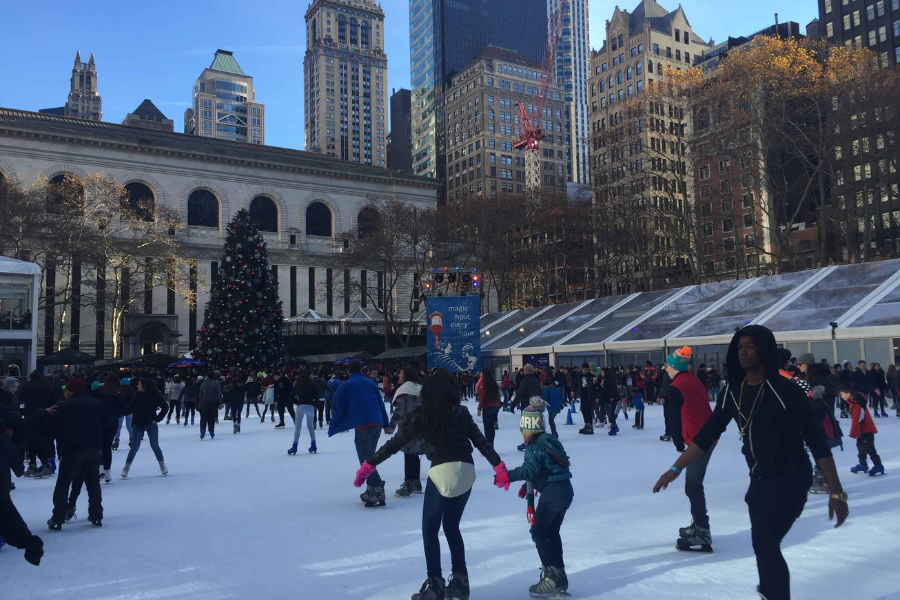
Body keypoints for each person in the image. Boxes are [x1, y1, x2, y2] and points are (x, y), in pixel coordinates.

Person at [653, 325, 849, 600]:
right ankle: (770, 591)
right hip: (759, 480)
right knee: (763, 544)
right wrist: (675, 469)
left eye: (750, 346)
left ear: (764, 349)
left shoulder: (785, 390)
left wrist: (836, 491)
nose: (743, 352)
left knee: (766, 544)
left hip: (792, 477)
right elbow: (708, 433)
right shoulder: (734, 391)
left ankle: (773, 593)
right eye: (739, 346)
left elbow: (817, 442)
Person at [354, 374, 506, 600]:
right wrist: (499, 466)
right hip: (466, 471)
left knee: (430, 529)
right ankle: (461, 581)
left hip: (442, 472)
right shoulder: (461, 412)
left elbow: (396, 442)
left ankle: (435, 584)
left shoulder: (424, 414)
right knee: (452, 527)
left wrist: (369, 464)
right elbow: (481, 442)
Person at [504, 398, 573, 597]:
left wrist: (507, 476)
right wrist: (528, 488)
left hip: (552, 495)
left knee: (537, 530)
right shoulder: (551, 441)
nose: (523, 436)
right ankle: (559, 574)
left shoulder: (534, 448)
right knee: (551, 531)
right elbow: (545, 468)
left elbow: (529, 470)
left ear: (530, 429)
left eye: (523, 431)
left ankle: (551, 576)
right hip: (565, 492)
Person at [29, 378, 106, 530]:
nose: (64, 393)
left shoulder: (63, 406)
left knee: (63, 484)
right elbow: (109, 422)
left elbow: (46, 427)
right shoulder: (97, 404)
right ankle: (96, 514)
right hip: (93, 447)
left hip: (71, 449)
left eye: (67, 390)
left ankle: (58, 516)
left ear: (73, 392)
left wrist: (42, 417)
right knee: (93, 483)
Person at [662, 346, 716, 552]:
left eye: (667, 365)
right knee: (693, 485)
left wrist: (677, 442)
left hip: (698, 441)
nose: (665, 368)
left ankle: (702, 530)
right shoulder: (693, 380)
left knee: (693, 486)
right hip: (705, 437)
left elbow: (673, 418)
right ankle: (699, 525)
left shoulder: (677, 386)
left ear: (674, 366)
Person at [329, 360, 390, 507]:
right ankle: (371, 489)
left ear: (348, 371)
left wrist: (335, 425)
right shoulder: (370, 383)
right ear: (362, 369)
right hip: (376, 423)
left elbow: (337, 406)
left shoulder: (346, 385)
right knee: (370, 458)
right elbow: (381, 403)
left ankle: (377, 489)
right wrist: (385, 423)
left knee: (366, 460)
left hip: (363, 424)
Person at [0, 416, 44, 565]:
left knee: (6, 513)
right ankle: (29, 543)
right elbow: (16, 462)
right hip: (2, 483)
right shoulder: (4, 441)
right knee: (7, 513)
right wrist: (19, 470)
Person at [387, 367, 425, 498]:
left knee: (409, 455)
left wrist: (391, 426)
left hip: (407, 427)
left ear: (407, 375)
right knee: (414, 454)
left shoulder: (403, 390)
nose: (398, 375)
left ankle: (408, 484)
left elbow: (399, 411)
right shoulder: (420, 388)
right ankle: (416, 482)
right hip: (421, 426)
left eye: (401, 373)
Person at [121, 378, 169, 479]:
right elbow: (129, 409)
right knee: (135, 446)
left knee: (154, 445)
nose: (137, 386)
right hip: (138, 424)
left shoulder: (155, 396)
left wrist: (157, 418)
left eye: (139, 385)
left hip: (151, 424)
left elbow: (165, 407)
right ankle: (127, 467)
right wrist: (119, 410)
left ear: (144, 386)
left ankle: (162, 465)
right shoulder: (136, 395)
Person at [90, 375, 127, 483]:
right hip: (111, 422)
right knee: (107, 446)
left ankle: (100, 467)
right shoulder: (118, 393)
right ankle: (107, 472)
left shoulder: (97, 391)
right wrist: (116, 414)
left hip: (97, 421)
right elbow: (124, 408)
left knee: (98, 446)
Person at [20, 370, 55, 478]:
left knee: (31, 440)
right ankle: (46, 463)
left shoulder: (27, 387)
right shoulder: (47, 387)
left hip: (30, 415)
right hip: (44, 415)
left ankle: (33, 463)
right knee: (41, 441)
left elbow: (21, 398)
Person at [843, 385, 884, 476]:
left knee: (870, 449)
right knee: (861, 448)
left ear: (848, 394)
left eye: (843, 394)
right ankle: (863, 464)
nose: (842, 396)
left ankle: (878, 465)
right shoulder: (853, 402)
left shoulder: (857, 404)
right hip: (861, 431)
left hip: (866, 430)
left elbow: (858, 419)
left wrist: (854, 432)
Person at [289, 370, 318, 455]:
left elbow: (292, 395)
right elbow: (316, 395)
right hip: (310, 406)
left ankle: (294, 446)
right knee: (310, 426)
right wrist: (315, 404)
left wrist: (297, 401)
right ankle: (313, 444)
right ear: (309, 375)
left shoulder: (298, 384)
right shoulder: (312, 384)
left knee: (298, 427)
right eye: (312, 374)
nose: (313, 376)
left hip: (300, 406)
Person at [476, 368, 502, 446]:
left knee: (487, 428)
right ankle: (491, 444)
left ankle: (488, 446)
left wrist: (479, 408)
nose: (480, 374)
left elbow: (483, 397)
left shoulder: (483, 383)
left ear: (484, 374)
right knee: (491, 427)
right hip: (495, 406)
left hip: (488, 407)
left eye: (481, 373)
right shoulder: (493, 382)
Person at [199, 371, 223, 439]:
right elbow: (219, 394)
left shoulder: (203, 384)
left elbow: (200, 394)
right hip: (213, 402)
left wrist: (201, 402)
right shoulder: (216, 384)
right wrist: (220, 403)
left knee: (204, 417)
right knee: (212, 417)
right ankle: (211, 430)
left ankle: (203, 430)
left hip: (205, 401)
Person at [578, 363, 597, 435]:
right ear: (582, 369)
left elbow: (597, 382)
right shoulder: (578, 375)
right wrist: (573, 390)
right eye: (585, 369)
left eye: (587, 369)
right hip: (582, 395)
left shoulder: (591, 376)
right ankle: (586, 423)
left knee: (588, 410)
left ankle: (589, 424)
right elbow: (576, 383)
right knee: (583, 409)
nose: (586, 371)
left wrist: (596, 379)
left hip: (589, 395)